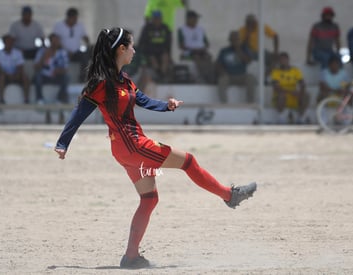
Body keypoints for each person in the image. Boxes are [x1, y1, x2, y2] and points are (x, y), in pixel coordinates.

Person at [54, 27, 257, 269]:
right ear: (121, 49)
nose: (134, 50)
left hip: (126, 149)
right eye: (130, 46)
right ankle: (229, 195)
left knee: (149, 199)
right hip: (133, 146)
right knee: (189, 161)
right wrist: (63, 142)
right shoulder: (102, 83)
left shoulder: (125, 79)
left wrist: (167, 106)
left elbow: (144, 100)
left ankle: (131, 257)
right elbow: (79, 114)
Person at [216, 31, 256, 103]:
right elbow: (218, 64)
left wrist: (238, 49)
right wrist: (222, 72)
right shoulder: (224, 50)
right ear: (230, 40)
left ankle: (250, 103)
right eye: (233, 39)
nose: (234, 41)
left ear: (239, 40)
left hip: (241, 75)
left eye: (236, 39)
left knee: (251, 78)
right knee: (221, 80)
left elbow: (248, 61)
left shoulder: (244, 49)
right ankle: (224, 104)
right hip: (229, 76)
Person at [270, 52, 309, 124]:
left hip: (294, 96)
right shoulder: (275, 72)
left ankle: (301, 118)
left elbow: (302, 84)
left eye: (284, 59)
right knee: (281, 95)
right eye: (281, 60)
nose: (283, 61)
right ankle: (281, 118)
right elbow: (277, 88)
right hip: (281, 97)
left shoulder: (295, 71)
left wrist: (300, 92)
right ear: (279, 61)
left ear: (288, 60)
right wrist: (291, 92)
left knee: (306, 95)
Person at [53, 7, 90, 82]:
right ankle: (59, 80)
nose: (76, 20)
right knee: (58, 57)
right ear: (69, 17)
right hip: (63, 51)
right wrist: (65, 51)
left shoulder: (80, 26)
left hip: (76, 52)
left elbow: (85, 37)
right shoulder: (59, 26)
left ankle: (82, 78)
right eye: (74, 18)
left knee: (85, 57)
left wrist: (88, 42)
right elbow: (55, 40)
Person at [0, 34, 30, 104]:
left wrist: (17, 74)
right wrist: (5, 74)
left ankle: (26, 99)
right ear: (4, 42)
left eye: (11, 41)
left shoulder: (18, 53)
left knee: (25, 77)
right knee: (1, 77)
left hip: (15, 75)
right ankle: (1, 99)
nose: (10, 43)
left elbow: (20, 66)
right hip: (3, 75)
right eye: (8, 41)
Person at [178, 10, 214, 83]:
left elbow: (207, 43)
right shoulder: (182, 29)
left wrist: (203, 48)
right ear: (188, 19)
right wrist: (193, 49)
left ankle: (210, 77)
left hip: (201, 51)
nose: (196, 20)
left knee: (209, 57)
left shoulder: (201, 29)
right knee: (196, 58)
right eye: (194, 18)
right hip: (189, 52)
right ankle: (200, 78)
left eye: (196, 19)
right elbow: (181, 45)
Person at [34, 33, 70, 104]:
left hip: (57, 76)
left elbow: (66, 69)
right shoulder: (42, 51)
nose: (55, 43)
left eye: (57, 41)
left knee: (66, 78)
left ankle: (59, 99)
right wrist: (44, 57)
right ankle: (39, 99)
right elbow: (36, 67)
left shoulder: (63, 53)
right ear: (50, 41)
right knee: (37, 77)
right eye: (54, 41)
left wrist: (59, 71)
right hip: (45, 76)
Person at [138, 10, 172, 82]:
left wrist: (168, 53)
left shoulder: (165, 28)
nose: (157, 20)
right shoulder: (147, 28)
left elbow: (168, 42)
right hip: (150, 51)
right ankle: (158, 74)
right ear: (152, 19)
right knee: (153, 59)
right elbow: (142, 41)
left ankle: (162, 75)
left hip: (162, 50)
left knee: (165, 57)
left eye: (158, 19)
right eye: (155, 19)